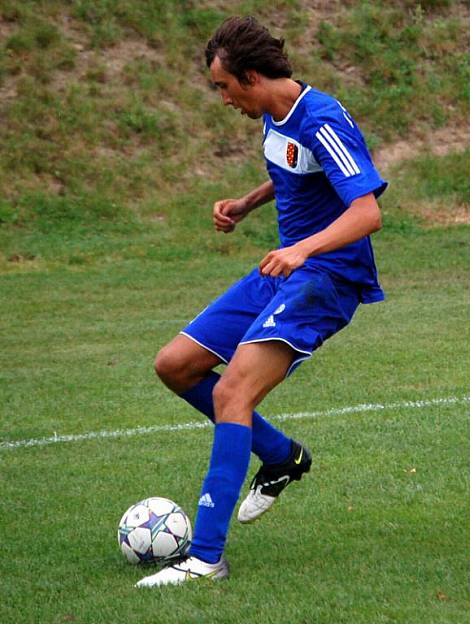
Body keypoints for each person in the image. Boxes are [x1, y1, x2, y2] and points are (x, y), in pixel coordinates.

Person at [136, 16, 387, 587]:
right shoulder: (277, 115)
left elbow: (367, 209)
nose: (222, 99)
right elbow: (294, 171)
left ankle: (205, 559)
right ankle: (279, 457)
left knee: (232, 391)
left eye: (224, 87)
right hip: (284, 268)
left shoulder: (323, 119)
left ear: (251, 76)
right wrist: (249, 202)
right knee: (176, 365)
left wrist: (302, 250)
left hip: (326, 277)